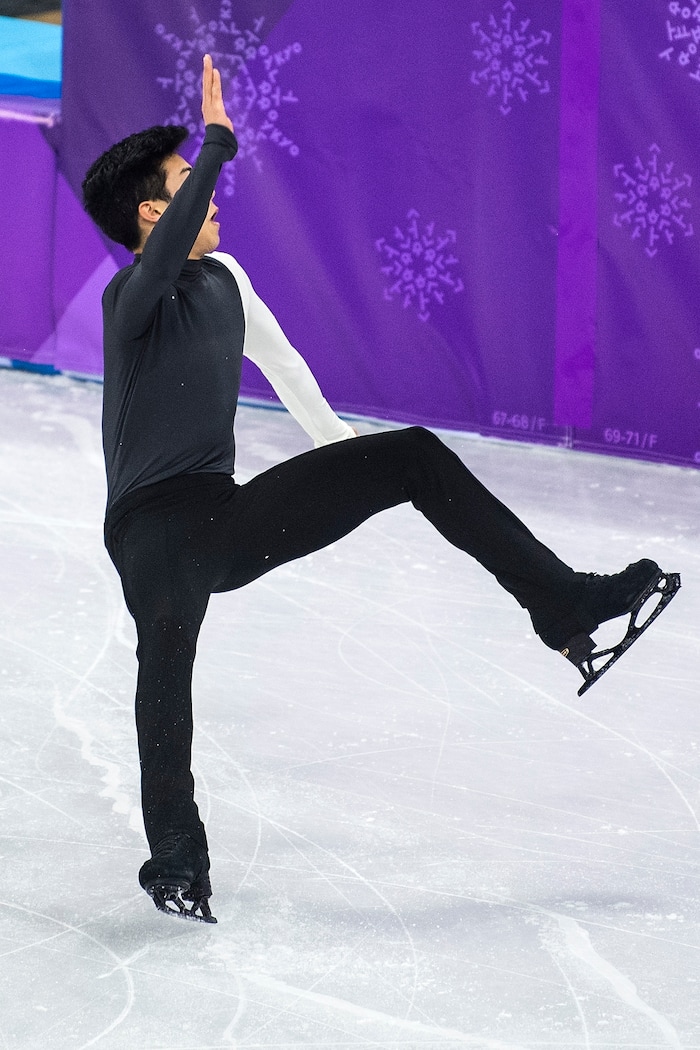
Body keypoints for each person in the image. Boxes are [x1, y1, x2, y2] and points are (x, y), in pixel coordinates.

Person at [82, 55, 678, 923]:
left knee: (415, 455)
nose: (211, 199)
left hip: (223, 513)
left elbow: (290, 376)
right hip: (150, 533)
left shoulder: (229, 281)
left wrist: (349, 474)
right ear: (150, 212)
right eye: (188, 187)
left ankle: (565, 607)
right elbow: (166, 254)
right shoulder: (130, 298)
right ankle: (177, 859)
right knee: (165, 684)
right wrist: (216, 140)